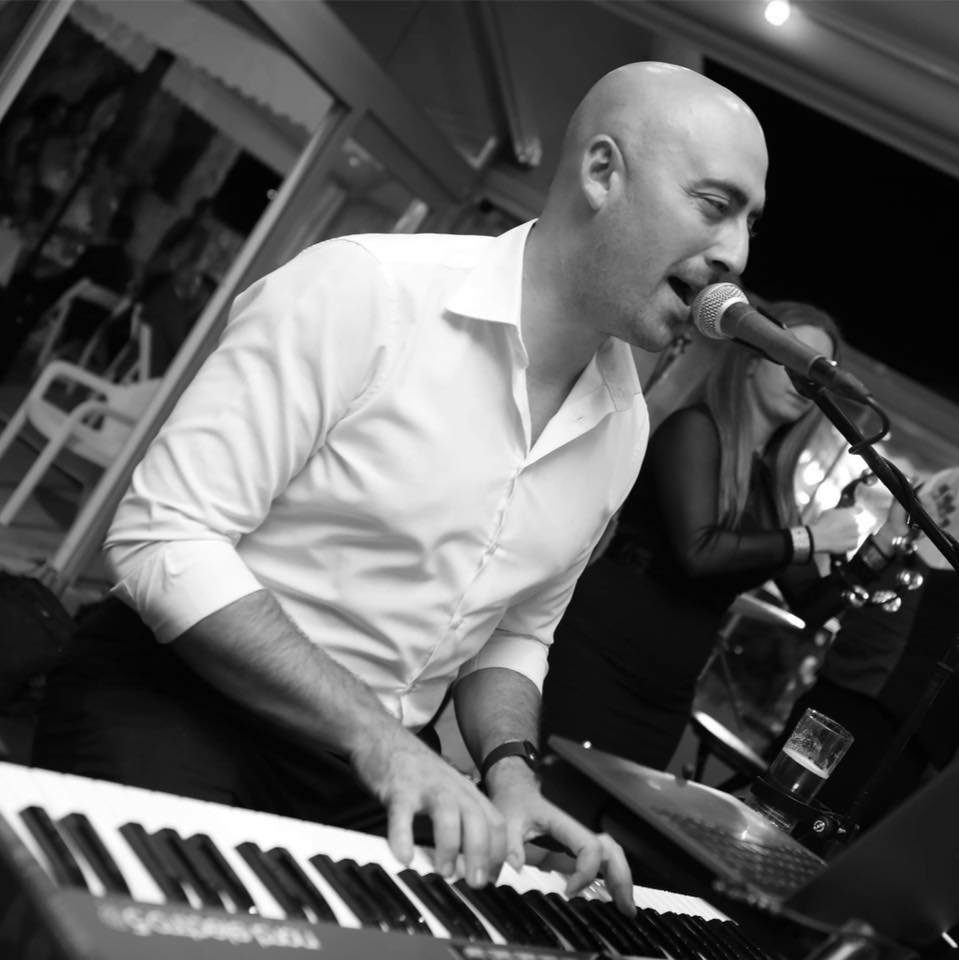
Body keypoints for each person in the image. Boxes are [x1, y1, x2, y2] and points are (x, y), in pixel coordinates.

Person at [32, 61, 768, 909]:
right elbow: (163, 540)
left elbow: (515, 635)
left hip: (370, 768)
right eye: (714, 206)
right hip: (178, 701)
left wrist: (510, 776)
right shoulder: (363, 289)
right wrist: (381, 741)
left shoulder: (623, 424)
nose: (736, 254)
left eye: (750, 222)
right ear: (602, 172)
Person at [541, 300, 867, 772]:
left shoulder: (769, 484)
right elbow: (700, 552)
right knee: (547, 799)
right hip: (600, 655)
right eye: (791, 357)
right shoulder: (695, 429)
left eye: (816, 371)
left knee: (607, 816)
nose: (803, 379)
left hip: (666, 691)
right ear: (752, 359)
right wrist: (809, 538)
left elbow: (812, 606)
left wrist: (880, 551)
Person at [776, 468, 959, 830]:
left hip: (900, 730)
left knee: (820, 837)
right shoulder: (942, 482)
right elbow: (841, 595)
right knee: (776, 808)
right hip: (840, 694)